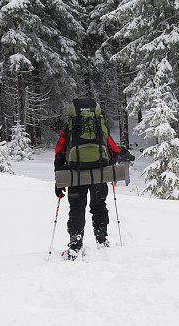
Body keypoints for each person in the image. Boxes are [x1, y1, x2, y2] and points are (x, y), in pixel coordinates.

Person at [54, 97, 129, 258]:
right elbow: (114, 149)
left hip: (76, 175)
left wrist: (58, 181)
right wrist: (107, 165)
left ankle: (75, 243)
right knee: (99, 205)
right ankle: (101, 239)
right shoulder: (99, 127)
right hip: (99, 174)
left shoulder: (70, 127)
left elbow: (59, 153)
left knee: (77, 209)